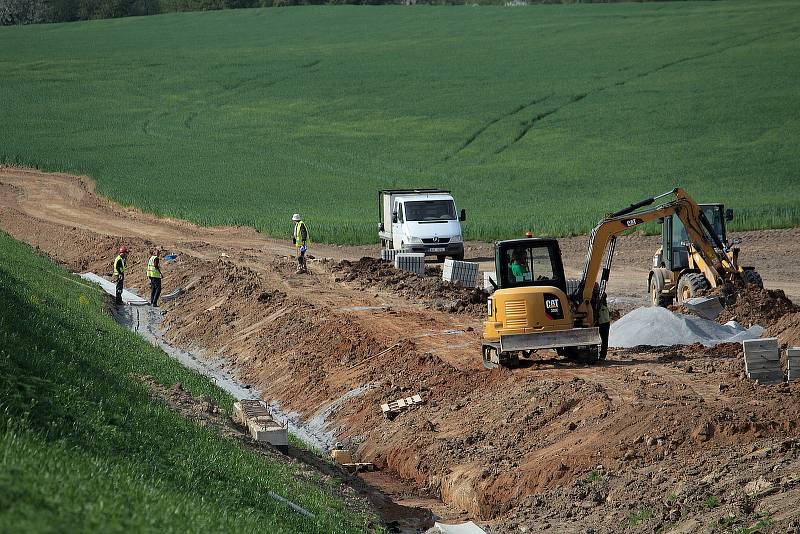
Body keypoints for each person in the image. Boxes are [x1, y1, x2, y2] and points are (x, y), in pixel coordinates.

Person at [597, 293, 610, 360]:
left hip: (603, 322)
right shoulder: (598, 301)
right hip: (602, 322)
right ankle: (602, 355)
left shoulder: (601, 300)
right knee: (604, 340)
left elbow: (604, 295)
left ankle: (602, 356)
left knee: (604, 340)